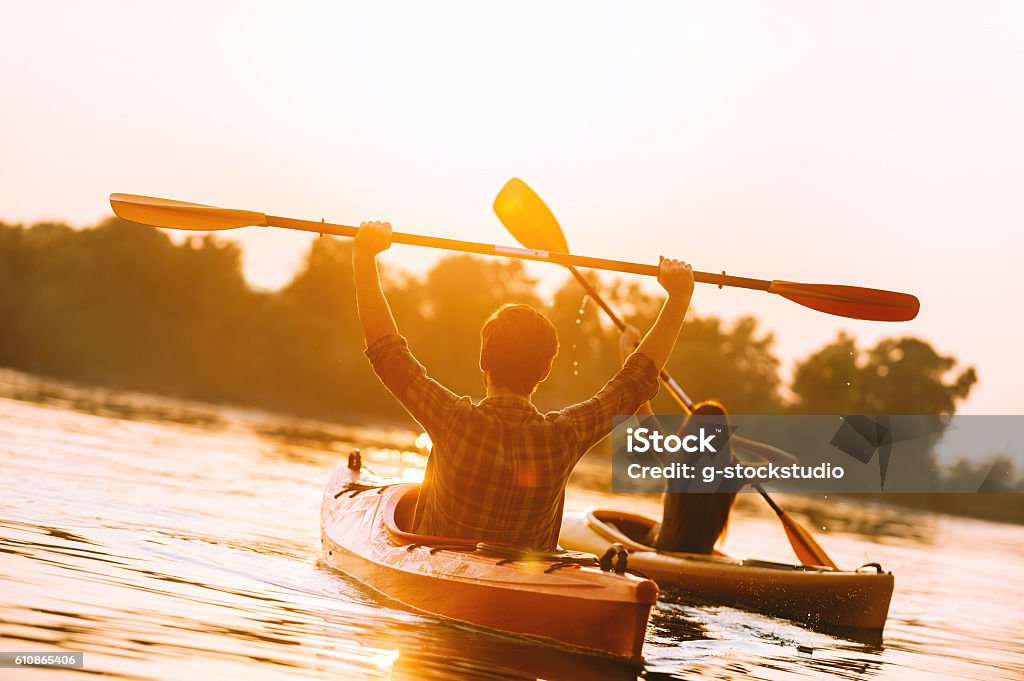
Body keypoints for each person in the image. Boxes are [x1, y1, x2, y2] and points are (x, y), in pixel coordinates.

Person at [353, 220, 694, 551]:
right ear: (545, 370)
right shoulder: (564, 436)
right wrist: (679, 298)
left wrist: (364, 257)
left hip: (444, 576)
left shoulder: (453, 420)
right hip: (526, 585)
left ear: (484, 361)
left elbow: (388, 353)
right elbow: (634, 382)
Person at [618, 325, 737, 555]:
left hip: (667, 553)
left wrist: (626, 351)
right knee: (653, 529)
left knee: (615, 527)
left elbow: (641, 407)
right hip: (701, 557)